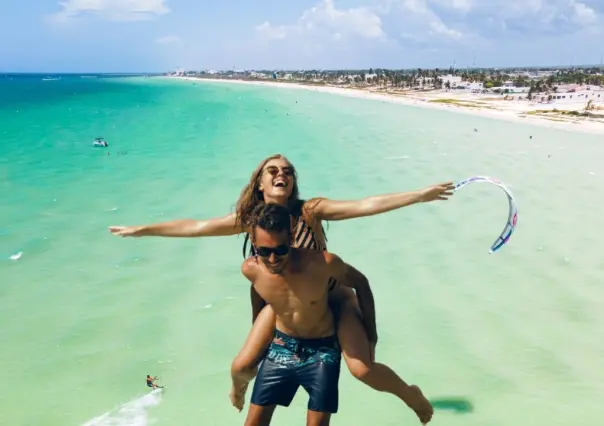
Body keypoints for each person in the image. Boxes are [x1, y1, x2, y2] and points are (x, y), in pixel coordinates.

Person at [109, 154, 453, 414]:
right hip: (286, 305)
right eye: (272, 170)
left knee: (362, 369)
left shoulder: (312, 210)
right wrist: (144, 230)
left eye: (287, 171)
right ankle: (239, 392)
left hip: (334, 300)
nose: (281, 174)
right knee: (241, 367)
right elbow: (196, 227)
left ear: (293, 183)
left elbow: (364, 205)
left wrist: (419, 195)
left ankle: (412, 395)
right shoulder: (250, 220)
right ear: (259, 182)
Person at [239, 203, 432, 426]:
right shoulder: (250, 270)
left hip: (322, 351)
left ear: (291, 237)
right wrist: (258, 332)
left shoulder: (322, 264)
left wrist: (371, 334)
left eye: (280, 250)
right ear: (254, 243)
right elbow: (258, 293)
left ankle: (412, 396)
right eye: (264, 251)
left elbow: (360, 282)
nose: (273, 259)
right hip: (283, 346)